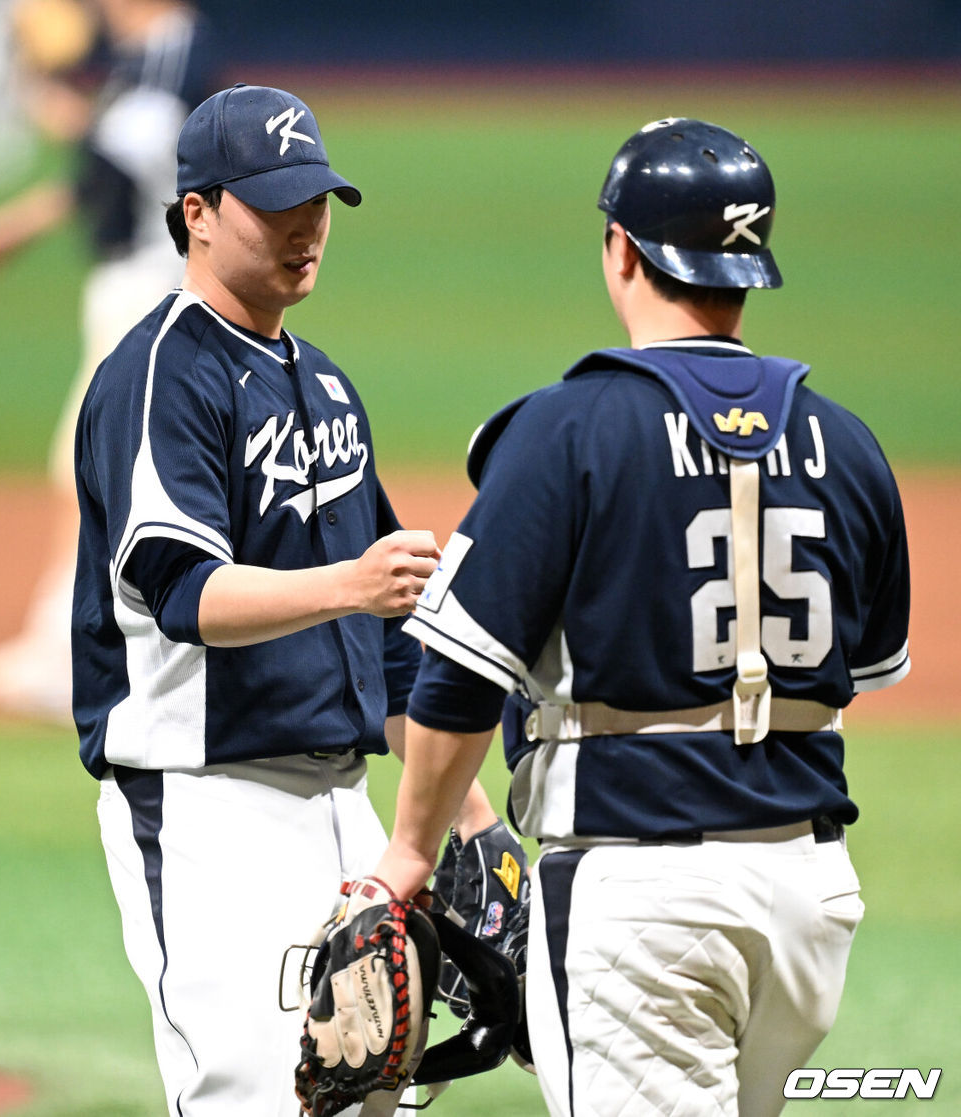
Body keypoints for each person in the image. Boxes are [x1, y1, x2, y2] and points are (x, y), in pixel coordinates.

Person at [371, 118, 911, 1116]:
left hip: (643, 901)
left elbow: (456, 673)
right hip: (809, 900)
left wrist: (411, 852)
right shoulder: (849, 442)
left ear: (621, 249)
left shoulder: (564, 428)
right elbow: (864, 666)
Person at [72, 82, 500, 1116]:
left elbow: (391, 636)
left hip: (344, 810)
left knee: (361, 1095)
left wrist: (469, 825)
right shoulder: (161, 370)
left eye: (317, 199)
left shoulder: (327, 385)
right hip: (209, 804)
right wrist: (348, 584)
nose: (306, 226)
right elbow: (181, 586)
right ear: (198, 213)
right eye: (275, 203)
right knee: (254, 1098)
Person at [0, 0, 219, 721]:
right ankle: (83, 648)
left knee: (94, 465)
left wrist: (41, 97)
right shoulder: (148, 58)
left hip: (149, 281)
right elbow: (114, 152)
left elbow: (126, 157)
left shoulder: (171, 49)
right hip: (133, 281)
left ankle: (73, 657)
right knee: (98, 465)